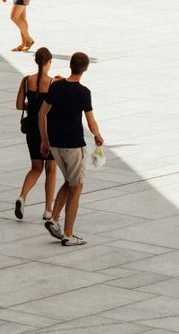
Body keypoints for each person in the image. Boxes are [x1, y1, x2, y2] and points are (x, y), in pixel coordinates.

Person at [37, 50, 104, 246]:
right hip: (74, 146)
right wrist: (98, 135)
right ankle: (68, 234)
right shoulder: (84, 92)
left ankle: (54, 220)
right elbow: (90, 121)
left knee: (68, 181)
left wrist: (44, 140)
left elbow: (42, 114)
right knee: (77, 186)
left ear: (70, 66)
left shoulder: (56, 87)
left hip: (56, 144)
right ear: (85, 69)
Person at [14, 47, 58, 234]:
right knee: (51, 168)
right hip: (48, 129)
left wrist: (31, 106)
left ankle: (22, 196)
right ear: (48, 62)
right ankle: (48, 209)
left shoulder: (26, 81)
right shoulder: (52, 83)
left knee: (36, 167)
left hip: (31, 129)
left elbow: (18, 105)